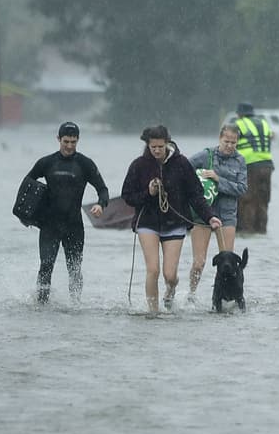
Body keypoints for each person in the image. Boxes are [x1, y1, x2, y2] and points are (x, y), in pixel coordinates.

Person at [121, 124, 221, 314]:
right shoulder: (139, 165)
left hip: (174, 223)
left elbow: (195, 195)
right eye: (153, 147)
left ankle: (171, 288)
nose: (157, 150)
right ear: (147, 146)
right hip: (147, 223)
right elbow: (127, 196)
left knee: (169, 274)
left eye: (160, 146)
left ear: (167, 143)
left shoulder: (182, 163)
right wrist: (148, 192)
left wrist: (210, 217)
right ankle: (154, 312)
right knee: (153, 269)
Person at [19, 121, 109, 303]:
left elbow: (103, 189)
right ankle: (41, 306)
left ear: (78, 140)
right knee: (46, 266)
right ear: (58, 139)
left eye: (73, 142)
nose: (69, 146)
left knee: (74, 269)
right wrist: (27, 214)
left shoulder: (85, 164)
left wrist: (100, 204)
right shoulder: (46, 162)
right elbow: (27, 184)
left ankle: (75, 305)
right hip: (49, 225)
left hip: (74, 225)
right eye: (66, 141)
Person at [185, 123, 248, 298]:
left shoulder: (240, 161)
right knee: (199, 263)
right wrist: (196, 184)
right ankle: (191, 294)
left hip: (227, 216)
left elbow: (242, 188)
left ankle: (226, 297)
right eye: (226, 141)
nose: (229, 146)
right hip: (203, 214)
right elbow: (184, 168)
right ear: (220, 138)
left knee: (227, 264)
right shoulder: (207, 155)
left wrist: (218, 179)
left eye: (233, 142)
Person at [233, 102, 275, 233]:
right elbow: (272, 136)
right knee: (263, 201)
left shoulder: (239, 124)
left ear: (239, 114)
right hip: (267, 165)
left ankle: (247, 232)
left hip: (249, 166)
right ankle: (261, 231)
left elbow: (230, 142)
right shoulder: (263, 123)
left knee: (247, 200)